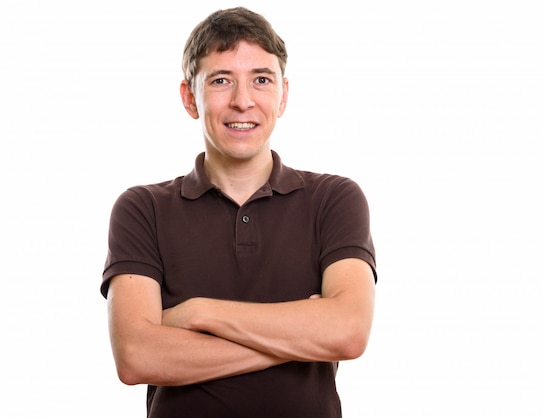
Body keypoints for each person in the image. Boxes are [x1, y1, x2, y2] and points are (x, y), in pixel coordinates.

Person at [100, 7, 377, 418]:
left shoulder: (334, 199)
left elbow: (349, 332)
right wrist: (301, 338)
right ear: (189, 98)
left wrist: (198, 313)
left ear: (283, 96)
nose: (242, 101)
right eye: (221, 80)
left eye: (261, 80)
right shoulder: (142, 209)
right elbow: (137, 356)